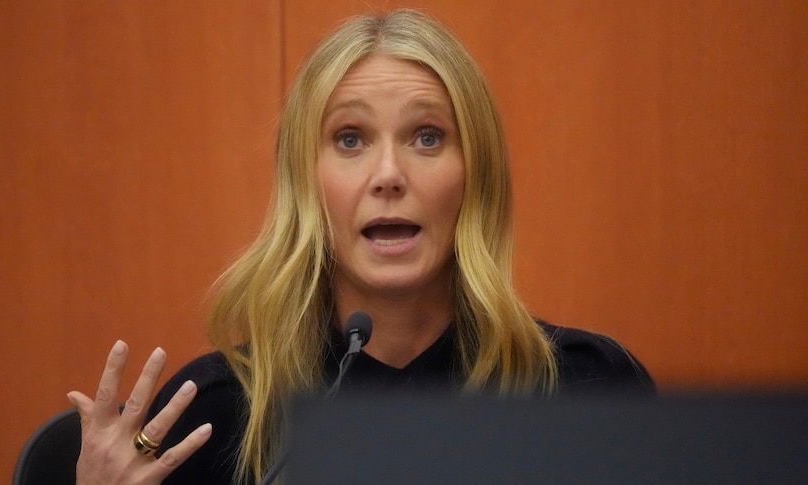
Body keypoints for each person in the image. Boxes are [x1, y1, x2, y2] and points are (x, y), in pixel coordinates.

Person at [67, 8, 655, 485]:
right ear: (307, 184)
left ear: (475, 175)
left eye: (428, 137)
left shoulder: (587, 391)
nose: (389, 174)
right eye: (350, 139)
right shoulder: (211, 418)